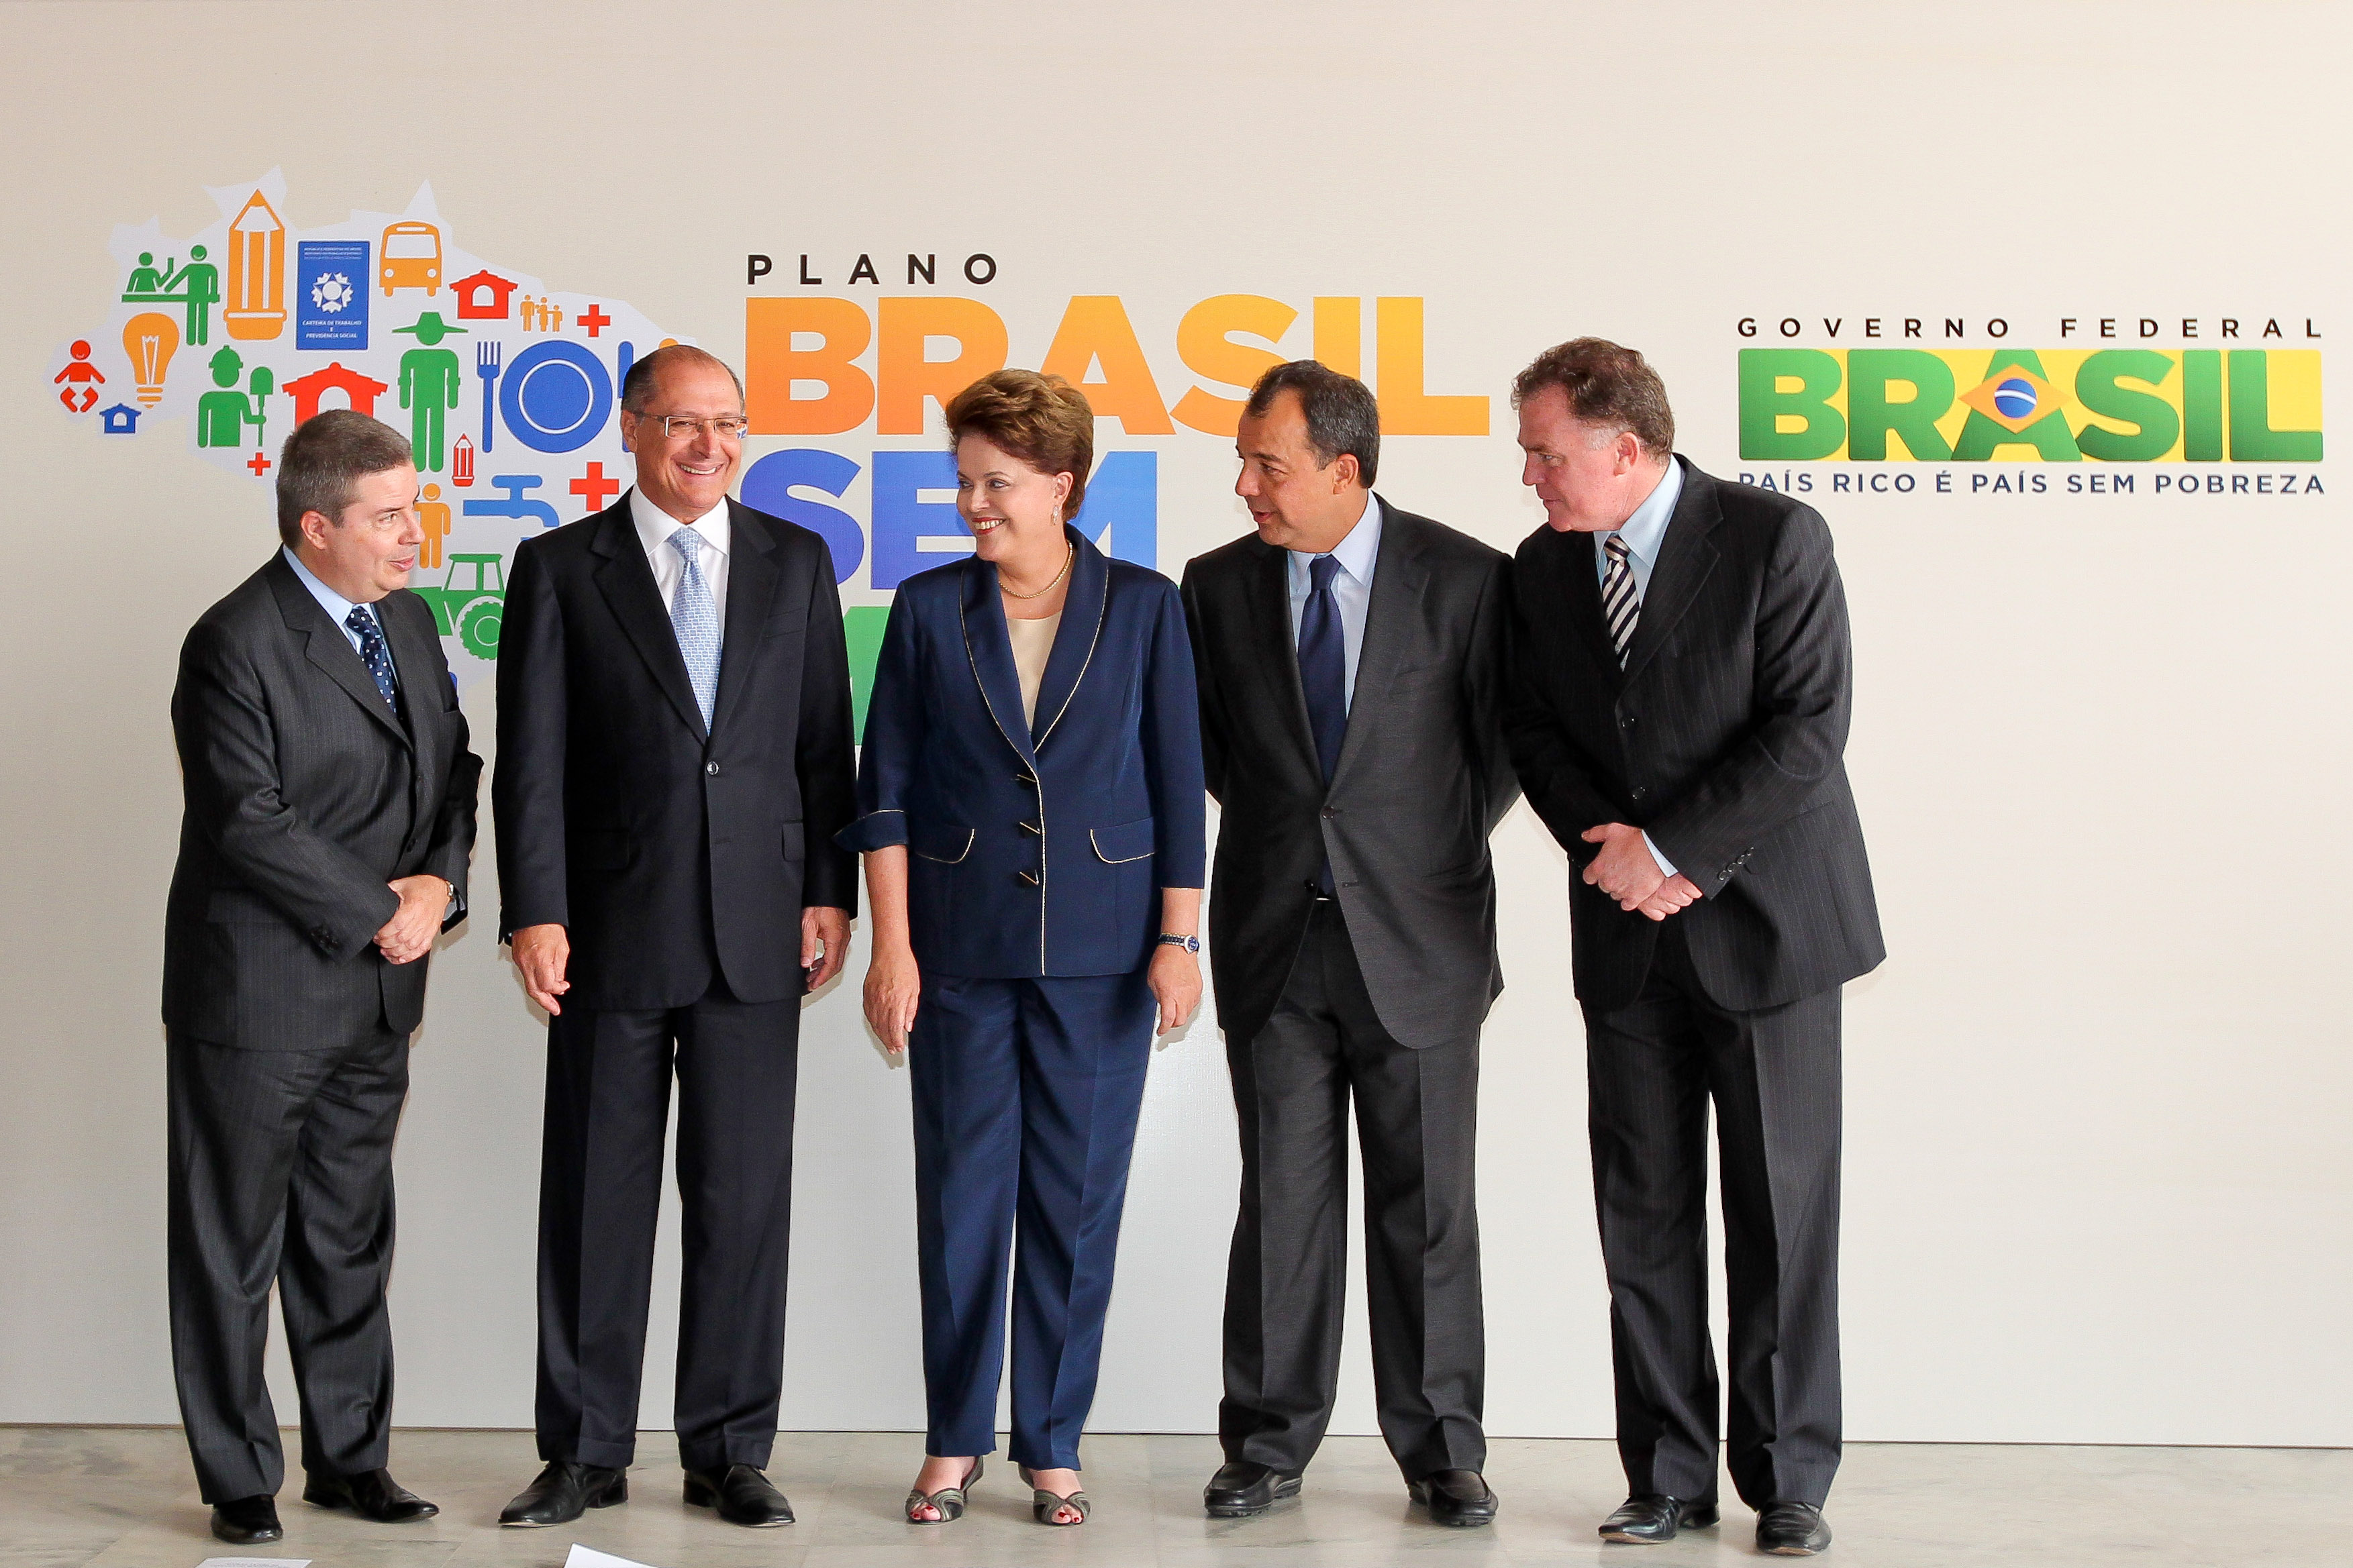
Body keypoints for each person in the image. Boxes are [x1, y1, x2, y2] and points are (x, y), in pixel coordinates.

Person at [1502, 339, 1884, 1557]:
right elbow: (1531, 731)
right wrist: (1615, 852)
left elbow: (1806, 729)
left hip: (1769, 931)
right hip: (1625, 940)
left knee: (1781, 1214)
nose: (1529, 477)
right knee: (1643, 1211)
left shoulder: (1774, 538)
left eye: (1545, 454)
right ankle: (1665, 1475)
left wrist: (1673, 850)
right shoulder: (1541, 568)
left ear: (1624, 448)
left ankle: (1787, 1479)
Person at [491, 346, 860, 1530]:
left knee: (742, 1200)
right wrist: (534, 908)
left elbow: (822, 743)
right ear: (633, 428)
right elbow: (530, 760)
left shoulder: (797, 559)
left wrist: (830, 888)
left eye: (729, 424)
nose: (710, 446)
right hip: (607, 929)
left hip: (759, 928)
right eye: (685, 423)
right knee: (594, 1198)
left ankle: (730, 1450)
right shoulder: (560, 567)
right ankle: (584, 1449)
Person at [843, 368, 1205, 1529]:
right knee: (960, 1202)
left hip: (1106, 956)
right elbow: (884, 793)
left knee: (1074, 1203)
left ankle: (1052, 1442)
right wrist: (891, 950)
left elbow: (1178, 784)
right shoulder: (925, 608)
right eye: (964, 482)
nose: (973, 504)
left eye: (996, 483)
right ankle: (954, 1439)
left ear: (1062, 483)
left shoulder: (1145, 607)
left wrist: (1178, 937)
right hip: (957, 951)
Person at [1180, 362, 1515, 1528]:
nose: (1245, 487)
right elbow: (1214, 751)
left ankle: (1442, 1452)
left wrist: (1401, 853)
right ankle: (1267, 1443)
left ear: (1344, 469)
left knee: (1427, 1210)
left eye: (1266, 466)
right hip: (1274, 939)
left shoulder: (1469, 578)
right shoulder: (1215, 585)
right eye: (1242, 462)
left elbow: (1498, 753)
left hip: (1419, 942)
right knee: (1281, 1201)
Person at [163, 409, 479, 1546]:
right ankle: (238, 1475)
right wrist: (381, 915)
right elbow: (248, 818)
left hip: (376, 995)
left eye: (414, 507)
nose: (414, 534)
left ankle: (350, 1461)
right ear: (316, 526)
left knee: (347, 1235)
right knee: (231, 1242)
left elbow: (455, 767)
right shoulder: (233, 640)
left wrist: (437, 885)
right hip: (259, 993)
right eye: (389, 516)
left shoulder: (411, 618)